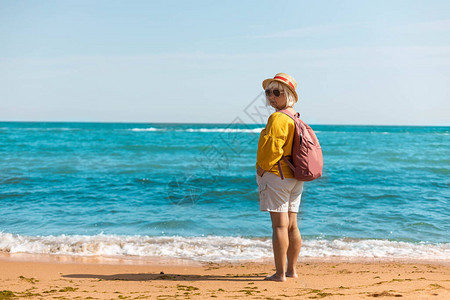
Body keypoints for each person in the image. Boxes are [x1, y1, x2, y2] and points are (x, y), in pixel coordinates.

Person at [256, 73, 304, 282]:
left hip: (278, 175)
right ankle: (291, 270)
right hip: (295, 176)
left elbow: (272, 148)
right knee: (292, 224)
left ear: (288, 95)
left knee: (279, 226)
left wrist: (261, 168)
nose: (271, 96)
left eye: (277, 92)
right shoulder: (295, 116)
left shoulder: (277, 118)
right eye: (268, 92)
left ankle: (279, 273)